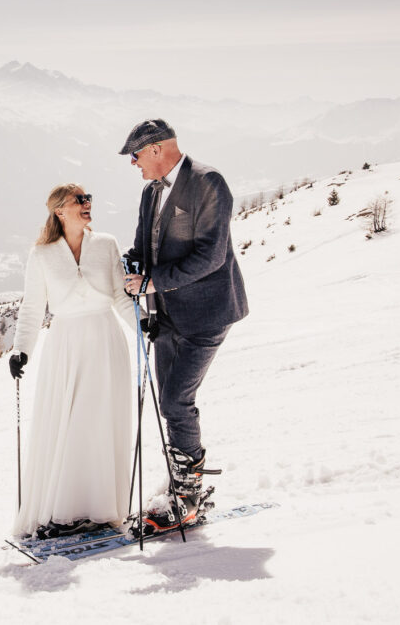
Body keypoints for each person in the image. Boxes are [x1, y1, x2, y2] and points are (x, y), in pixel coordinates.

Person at [119, 118, 248, 532]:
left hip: (207, 314)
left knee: (176, 400)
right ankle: (180, 485)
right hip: (166, 315)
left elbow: (212, 255)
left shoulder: (209, 182)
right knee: (169, 404)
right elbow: (143, 245)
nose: (134, 164)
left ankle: (189, 496)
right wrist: (132, 268)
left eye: (136, 155)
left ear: (156, 149)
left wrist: (155, 281)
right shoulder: (149, 192)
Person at [8, 183, 138, 539]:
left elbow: (120, 297)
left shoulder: (106, 244)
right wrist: (22, 350)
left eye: (88, 198)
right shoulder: (43, 255)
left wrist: (144, 328)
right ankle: (64, 510)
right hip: (66, 345)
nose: (87, 204)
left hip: (105, 340)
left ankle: (99, 510)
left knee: (98, 421)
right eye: (79, 200)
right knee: (69, 422)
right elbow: (32, 308)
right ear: (59, 211)